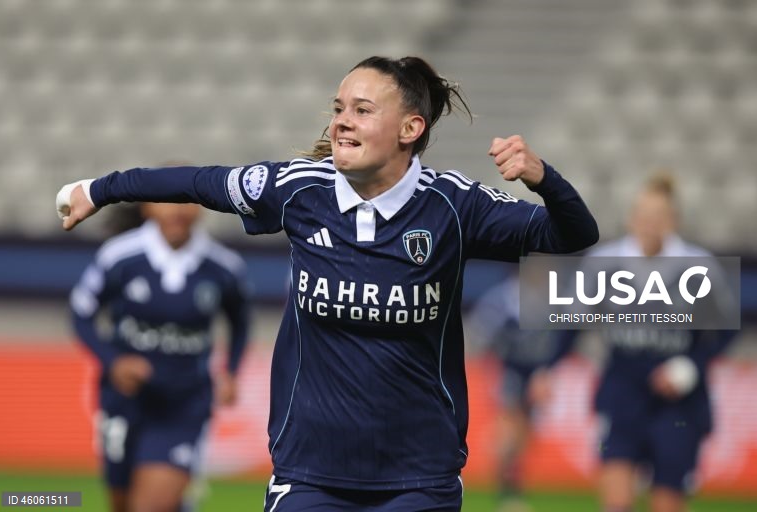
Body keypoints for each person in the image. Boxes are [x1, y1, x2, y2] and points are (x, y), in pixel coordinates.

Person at [57, 56, 599, 511]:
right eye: (339, 108)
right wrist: (100, 189)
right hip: (309, 471)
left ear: (411, 129)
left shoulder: (454, 207)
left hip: (419, 476)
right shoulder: (298, 190)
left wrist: (543, 178)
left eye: (363, 110)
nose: (342, 121)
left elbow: (573, 235)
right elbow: (197, 182)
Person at [70, 200, 252, 512]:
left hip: (184, 403)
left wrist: (231, 371)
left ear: (201, 209)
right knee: (123, 503)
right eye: (167, 202)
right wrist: (114, 361)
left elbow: (241, 322)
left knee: (151, 506)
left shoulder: (223, 266)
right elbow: (81, 312)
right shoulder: (119, 256)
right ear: (148, 208)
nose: (177, 211)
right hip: (124, 401)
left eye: (187, 203)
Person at [583, 173, 734, 512]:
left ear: (673, 221)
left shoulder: (698, 267)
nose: (650, 224)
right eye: (644, 216)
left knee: (667, 499)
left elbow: (725, 331)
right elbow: (572, 323)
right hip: (622, 390)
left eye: (659, 217)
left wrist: (690, 366)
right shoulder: (604, 264)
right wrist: (546, 369)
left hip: (678, 401)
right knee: (616, 499)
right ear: (631, 218)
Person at [466, 269, 575, 512]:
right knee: (511, 426)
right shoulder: (502, 298)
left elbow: (564, 334)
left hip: (537, 372)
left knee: (526, 433)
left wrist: (547, 370)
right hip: (510, 369)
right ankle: (508, 491)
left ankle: (511, 482)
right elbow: (481, 333)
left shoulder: (551, 296)